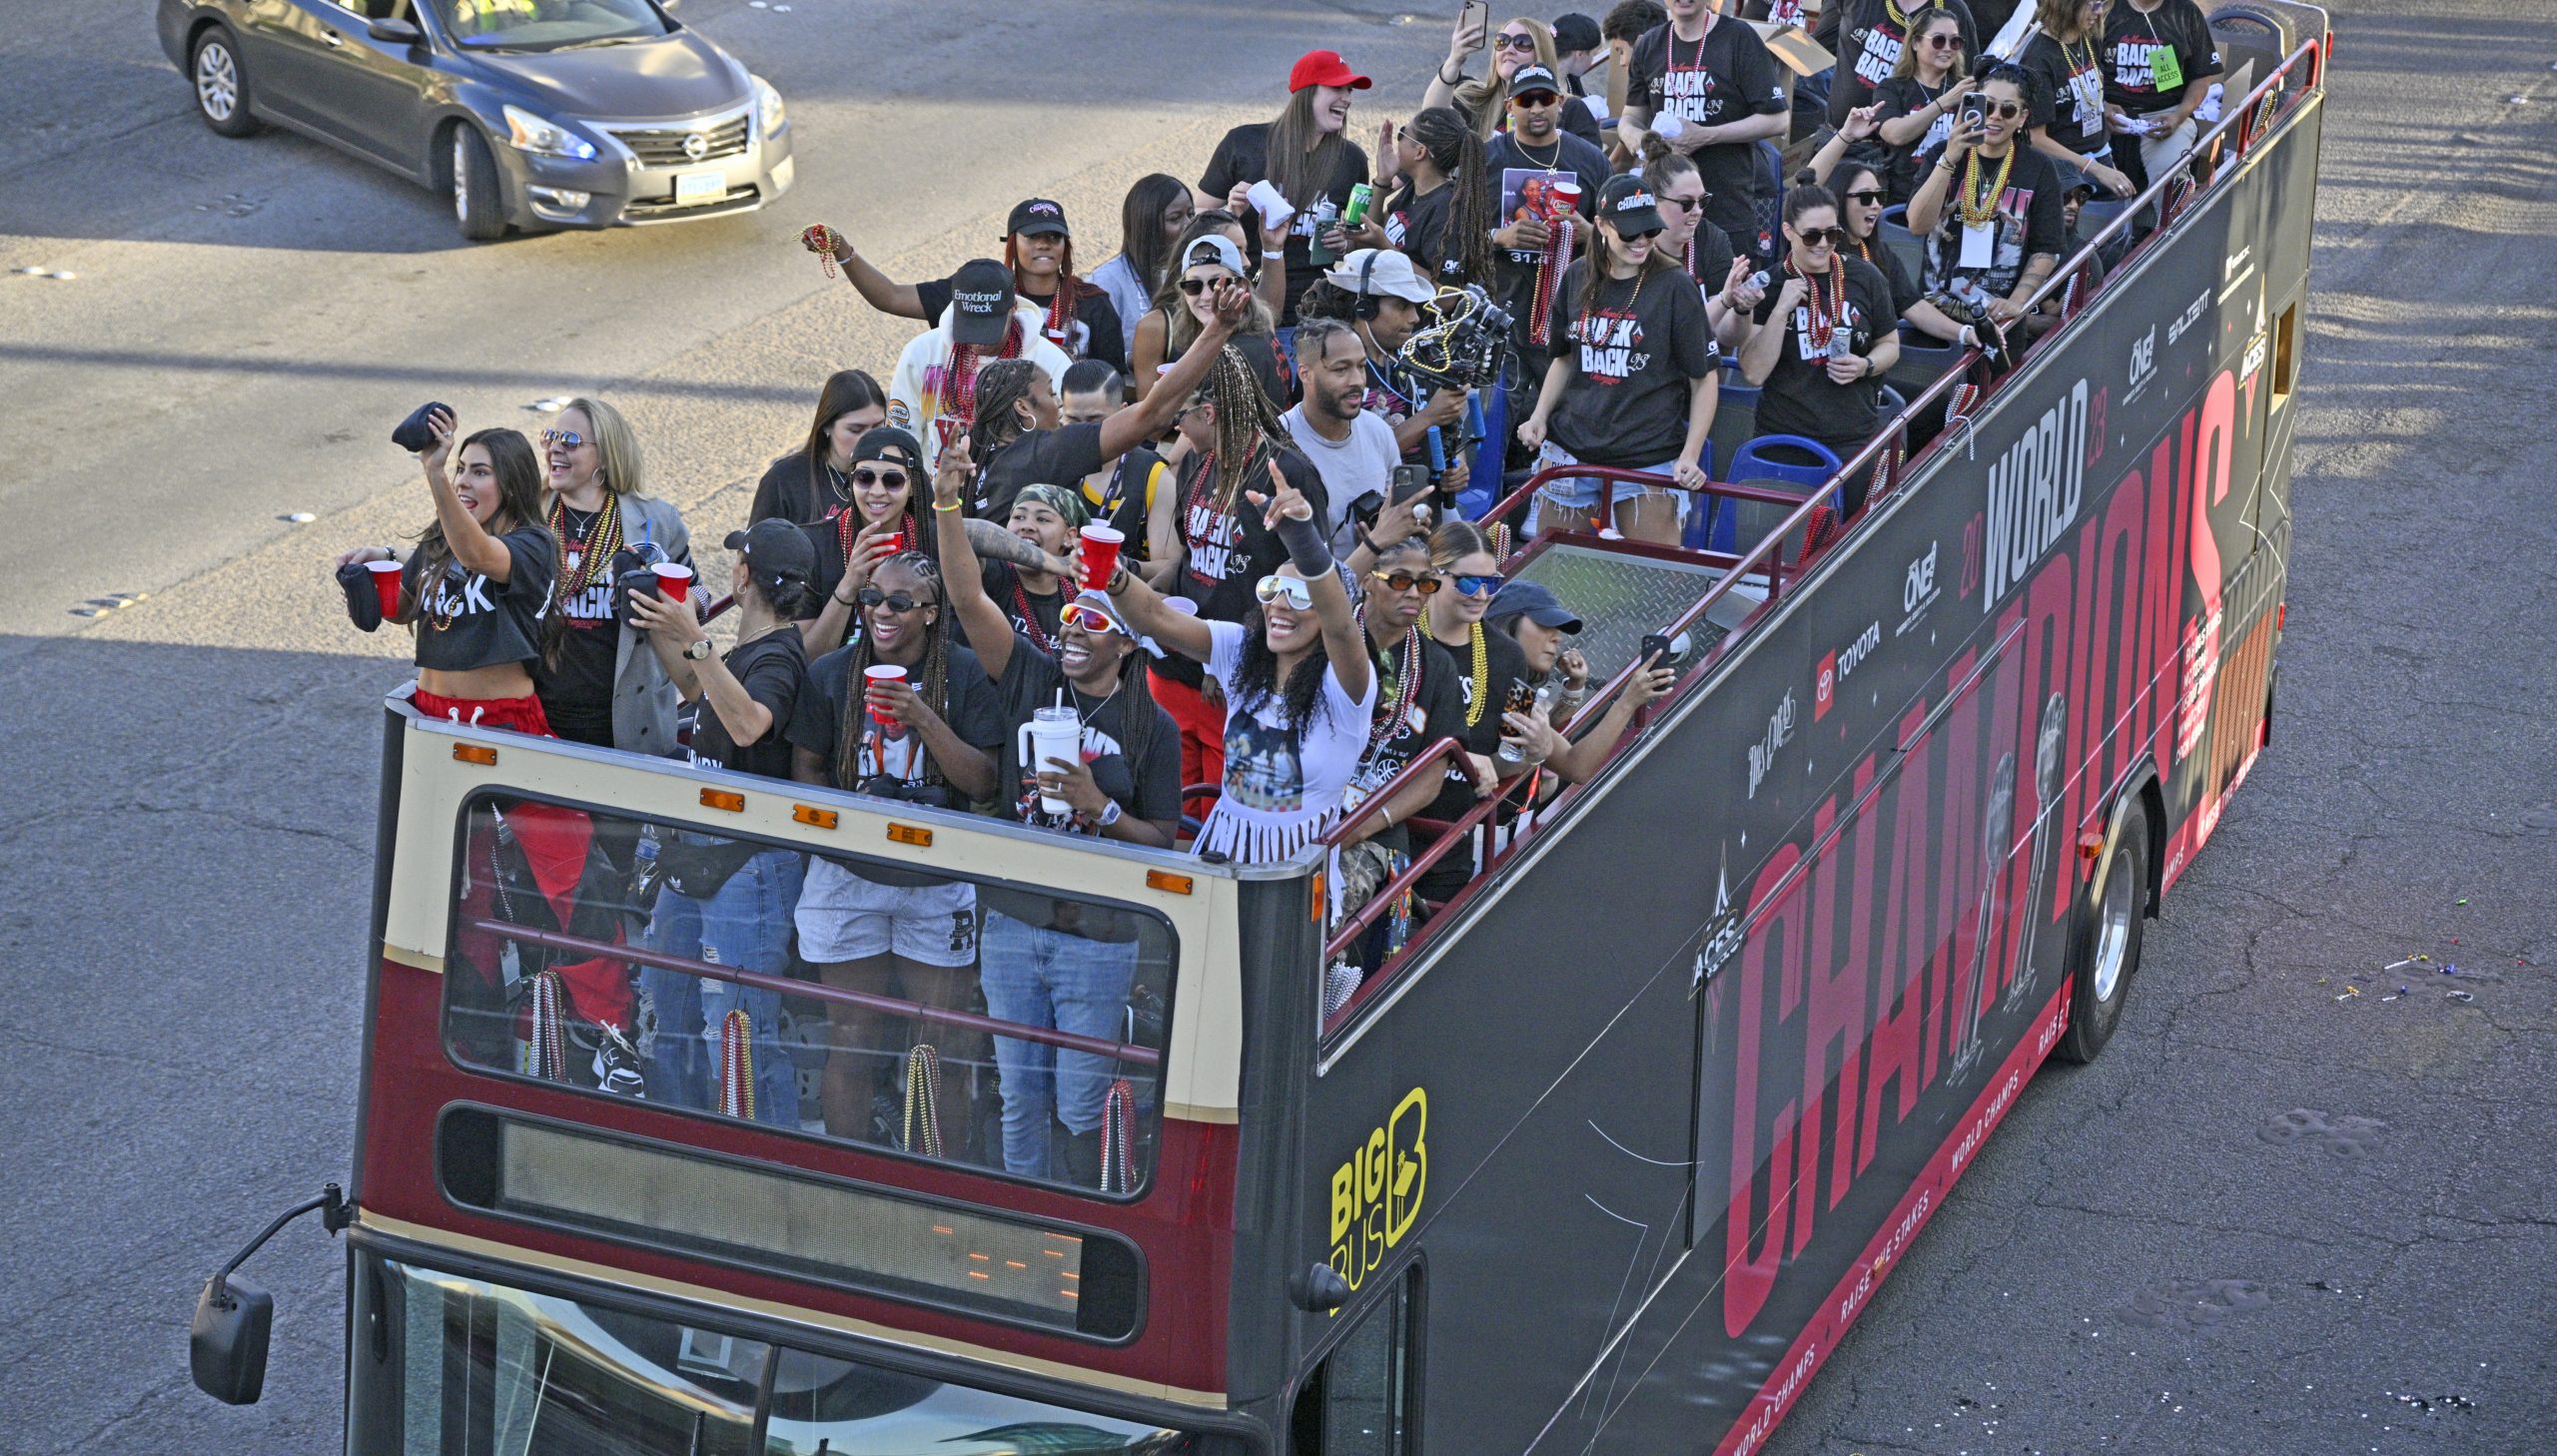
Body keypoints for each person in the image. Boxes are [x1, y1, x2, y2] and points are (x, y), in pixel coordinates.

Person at [931, 454, 1182, 1181]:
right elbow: (967, 593)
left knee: (1077, 1104)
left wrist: (1100, 809)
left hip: (1095, 939)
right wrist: (948, 505)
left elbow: (1162, 840)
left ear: (1128, 643)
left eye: (1091, 622)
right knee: (1018, 1097)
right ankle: (1019, 1231)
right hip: (1012, 919)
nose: (1071, 629)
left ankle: (1072, 1226)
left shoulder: (1151, 728)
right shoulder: (1032, 677)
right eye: (1069, 616)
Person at [786, 546, 1005, 1150]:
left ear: (932, 613)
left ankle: (939, 1179)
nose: (881, 611)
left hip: (936, 883)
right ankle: (850, 1177)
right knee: (853, 1037)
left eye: (901, 603)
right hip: (847, 878)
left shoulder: (960, 674)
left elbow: (984, 781)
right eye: (873, 598)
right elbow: (804, 768)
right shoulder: (834, 673)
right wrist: (848, 819)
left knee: (941, 1046)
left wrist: (923, 718)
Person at [623, 520, 817, 1128]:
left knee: (737, 1035)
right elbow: (691, 685)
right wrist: (662, 624)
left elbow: (747, 725)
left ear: (743, 577)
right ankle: (678, 1149)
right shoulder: (744, 655)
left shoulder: (782, 656)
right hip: (695, 857)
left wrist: (696, 639)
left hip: (749, 868)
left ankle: (768, 1166)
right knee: (666, 1017)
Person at [1107, 463, 1374, 865]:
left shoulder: (1347, 684)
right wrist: (1113, 578)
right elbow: (1157, 619)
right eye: (1273, 589)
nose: (1280, 605)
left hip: (1293, 880)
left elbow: (1339, 626)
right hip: (1221, 857)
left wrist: (1302, 536)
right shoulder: (1243, 652)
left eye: (1300, 596)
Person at [1154, 347, 1335, 807]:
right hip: (1176, 668)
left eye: (1181, 414)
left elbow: (1311, 583)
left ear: (1210, 413)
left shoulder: (1285, 473)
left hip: (1237, 681)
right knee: (1174, 809)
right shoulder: (1198, 460)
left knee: (1225, 817)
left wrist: (1240, 656)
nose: (1175, 426)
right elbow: (1195, 555)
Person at [1515, 175, 1717, 545]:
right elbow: (1563, 358)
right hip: (1570, 448)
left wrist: (1690, 454)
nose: (1641, 241)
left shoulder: (1675, 285)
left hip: (1646, 454)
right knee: (1556, 575)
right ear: (1602, 226)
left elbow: (1704, 378)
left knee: (1656, 581)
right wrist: (1539, 417)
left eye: (1650, 231)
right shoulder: (1577, 275)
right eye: (1630, 234)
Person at [964, 271, 1253, 521]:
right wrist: (1219, 328)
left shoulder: (972, 461)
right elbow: (1151, 415)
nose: (1059, 406)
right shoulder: (1040, 453)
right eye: (1052, 394)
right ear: (1024, 407)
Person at [337, 411, 555, 733]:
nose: (463, 481)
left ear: (512, 485)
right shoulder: (444, 535)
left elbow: (477, 556)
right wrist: (369, 580)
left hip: (498, 717)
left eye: (480, 472)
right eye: (460, 469)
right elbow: (406, 608)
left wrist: (435, 473)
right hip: (430, 708)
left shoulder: (534, 544)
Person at [531, 397, 693, 756]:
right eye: (551, 436)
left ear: (605, 455)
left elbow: (699, 596)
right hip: (538, 719)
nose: (555, 447)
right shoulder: (529, 513)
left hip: (626, 726)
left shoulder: (656, 521)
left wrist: (666, 602)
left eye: (570, 441)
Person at [1738, 175, 1902, 514]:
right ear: (1788, 232)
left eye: (1832, 233)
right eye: (1812, 235)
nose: (1823, 244)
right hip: (1785, 440)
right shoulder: (1769, 286)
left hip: (1852, 437)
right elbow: (1753, 373)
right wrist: (1781, 309)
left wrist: (1865, 365)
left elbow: (1890, 344)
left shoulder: (1865, 277)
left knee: (1852, 543)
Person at [807, 199, 1127, 372]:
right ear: (1013, 243)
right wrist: (841, 250)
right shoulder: (982, 289)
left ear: (1065, 245)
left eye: (1054, 237)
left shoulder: (1093, 303)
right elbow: (890, 297)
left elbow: (1112, 380)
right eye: (1033, 237)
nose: (1044, 245)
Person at [1481, 64, 1612, 481]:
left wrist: (1590, 234)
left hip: (1568, 313)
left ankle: (1557, 502)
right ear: (1509, 107)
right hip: (1502, 315)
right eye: (1525, 100)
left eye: (1545, 99)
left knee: (1567, 424)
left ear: (1560, 103)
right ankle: (1497, 512)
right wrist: (1500, 236)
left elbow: (1623, 243)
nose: (1536, 108)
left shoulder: (1590, 159)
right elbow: (1452, 239)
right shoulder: (1488, 159)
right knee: (1497, 427)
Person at [1198, 49, 1375, 333]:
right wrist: (1229, 212)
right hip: (1244, 303)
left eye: (1350, 90)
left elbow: (1361, 239)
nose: (1348, 98)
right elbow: (1197, 216)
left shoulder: (1351, 159)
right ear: (1305, 93)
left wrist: (1346, 244)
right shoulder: (1244, 143)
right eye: (1336, 87)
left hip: (1317, 311)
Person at [1411, 519, 1537, 908]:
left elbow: (1515, 757)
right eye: (1467, 582)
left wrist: (1528, 750)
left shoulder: (1510, 655)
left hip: (1453, 842)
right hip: (1386, 830)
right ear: (1433, 576)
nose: (1481, 594)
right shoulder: (1401, 639)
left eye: (1493, 583)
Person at [1618, 0, 1791, 265]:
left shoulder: (1738, 38)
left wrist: (1706, 135)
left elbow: (1778, 120)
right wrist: (1640, 141)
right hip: (1664, 215)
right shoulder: (1650, 44)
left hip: (1727, 208)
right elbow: (1630, 117)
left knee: (1728, 298)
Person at [1906, 63, 2067, 342]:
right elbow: (1918, 225)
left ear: (2021, 118)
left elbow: (2047, 249)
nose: (1995, 117)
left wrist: (2017, 302)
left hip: (1999, 322)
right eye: (1987, 106)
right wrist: (1949, 159)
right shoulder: (1940, 155)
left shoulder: (2039, 168)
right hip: (1934, 318)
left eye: (2007, 110)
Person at [885, 258, 1075, 474]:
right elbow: (903, 436)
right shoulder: (923, 354)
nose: (979, 341)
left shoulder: (1050, 362)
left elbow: (1065, 442)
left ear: (1013, 308)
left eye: (988, 329)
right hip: (936, 497)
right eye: (970, 327)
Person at [1483, 579, 1677, 784]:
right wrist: (1627, 701)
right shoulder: (1470, 676)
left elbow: (1575, 766)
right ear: (1506, 624)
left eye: (1558, 629)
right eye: (1544, 623)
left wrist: (1622, 700)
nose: (1557, 637)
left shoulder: (1519, 692)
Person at [1297, 249, 1470, 472]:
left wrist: (1455, 465)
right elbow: (1348, 458)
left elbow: (1449, 432)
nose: (1414, 318)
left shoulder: (1417, 359)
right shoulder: (1332, 369)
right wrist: (1428, 417)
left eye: (1414, 306)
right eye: (1402, 305)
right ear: (1364, 307)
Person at [1803, 142, 1984, 348]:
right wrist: (1844, 136)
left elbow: (1914, 308)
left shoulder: (1879, 253)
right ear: (1836, 199)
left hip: (1866, 366)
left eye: (1879, 196)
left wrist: (1966, 333)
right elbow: (1805, 189)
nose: (1875, 204)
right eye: (1864, 197)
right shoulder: (1816, 250)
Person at [1283, 318, 1405, 553]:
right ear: (1305, 374)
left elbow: (1394, 522)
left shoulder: (1378, 431)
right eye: (1341, 369)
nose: (1358, 381)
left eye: (1361, 366)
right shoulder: (1278, 441)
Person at [1131, 232, 1289, 410]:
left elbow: (1215, 433)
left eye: (1217, 284)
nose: (1206, 296)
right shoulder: (1251, 331)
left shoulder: (1237, 353)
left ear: (1241, 286)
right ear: (1182, 291)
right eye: (1193, 286)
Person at [1058, 361, 1182, 589]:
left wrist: (1120, 565)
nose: (1084, 432)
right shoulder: (1048, 464)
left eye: (1095, 421)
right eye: (1072, 421)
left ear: (1124, 412)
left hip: (1123, 606)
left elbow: (1172, 566)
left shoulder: (1153, 475)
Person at [1427, 13, 1607, 149]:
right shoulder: (1474, 98)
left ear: (1541, 54)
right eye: (1502, 41)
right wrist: (1455, 59)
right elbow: (1431, 120)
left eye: (1522, 43)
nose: (1509, 49)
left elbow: (1592, 168)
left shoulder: (1569, 108)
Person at [2019, 0, 2138, 199]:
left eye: (2101, 4)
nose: (2098, 12)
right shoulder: (2039, 58)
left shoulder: (2086, 38)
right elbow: (2035, 138)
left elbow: (2078, 91)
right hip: (2066, 170)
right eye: (2091, 5)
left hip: (2101, 155)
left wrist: (2104, 106)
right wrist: (2095, 169)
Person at [1646, 150, 1763, 351]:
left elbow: (1727, 337)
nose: (1698, 211)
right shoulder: (1634, 244)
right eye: (1686, 203)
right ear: (1654, 202)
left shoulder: (1710, 239)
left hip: (1698, 367)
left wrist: (1742, 309)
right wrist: (1724, 301)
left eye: (1702, 200)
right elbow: (1662, 336)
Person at [2101, 0, 2221, 194]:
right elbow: (2081, 68)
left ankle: (2167, 223)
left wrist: (2178, 116)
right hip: (2109, 114)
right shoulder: (2105, 9)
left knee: (2171, 183)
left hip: (2167, 113)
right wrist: (2102, 106)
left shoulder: (2186, 12)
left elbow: (2202, 78)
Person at [1856, 9, 1971, 205]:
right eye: (1938, 40)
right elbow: (1895, 134)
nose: (1948, 48)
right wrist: (1943, 103)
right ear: (1916, 42)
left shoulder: (1966, 90)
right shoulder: (1891, 87)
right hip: (1901, 199)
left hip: (1953, 200)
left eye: (1955, 41)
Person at [1379, 106, 1499, 290]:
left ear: (1420, 152)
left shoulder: (1447, 209)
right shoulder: (1414, 188)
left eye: (1403, 133)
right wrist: (1382, 181)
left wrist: (1386, 246)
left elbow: (1447, 297)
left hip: (1416, 317)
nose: (1398, 140)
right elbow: (1372, 231)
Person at [750, 369, 889, 527]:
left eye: (878, 427)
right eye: (856, 430)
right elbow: (755, 548)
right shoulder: (784, 480)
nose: (869, 440)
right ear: (827, 426)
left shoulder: (898, 475)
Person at [1814, 0, 1980, 131]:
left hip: (1907, 154)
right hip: (1839, 137)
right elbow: (1820, 43)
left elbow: (1972, 85)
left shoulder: (1955, 11)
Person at [1088, 175, 1197, 362]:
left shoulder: (1197, 271)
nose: (1188, 225)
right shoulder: (1106, 282)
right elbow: (1092, 356)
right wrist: (1143, 356)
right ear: (1147, 224)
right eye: (1175, 218)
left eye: (1191, 214)